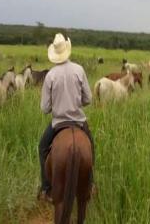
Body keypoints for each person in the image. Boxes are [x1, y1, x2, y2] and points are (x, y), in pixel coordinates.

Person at [37, 33, 94, 202]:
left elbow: (45, 108)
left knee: (42, 148)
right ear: (67, 50)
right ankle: (91, 183)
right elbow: (88, 99)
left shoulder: (50, 76)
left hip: (58, 124)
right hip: (79, 122)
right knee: (91, 147)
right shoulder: (79, 70)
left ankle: (47, 188)